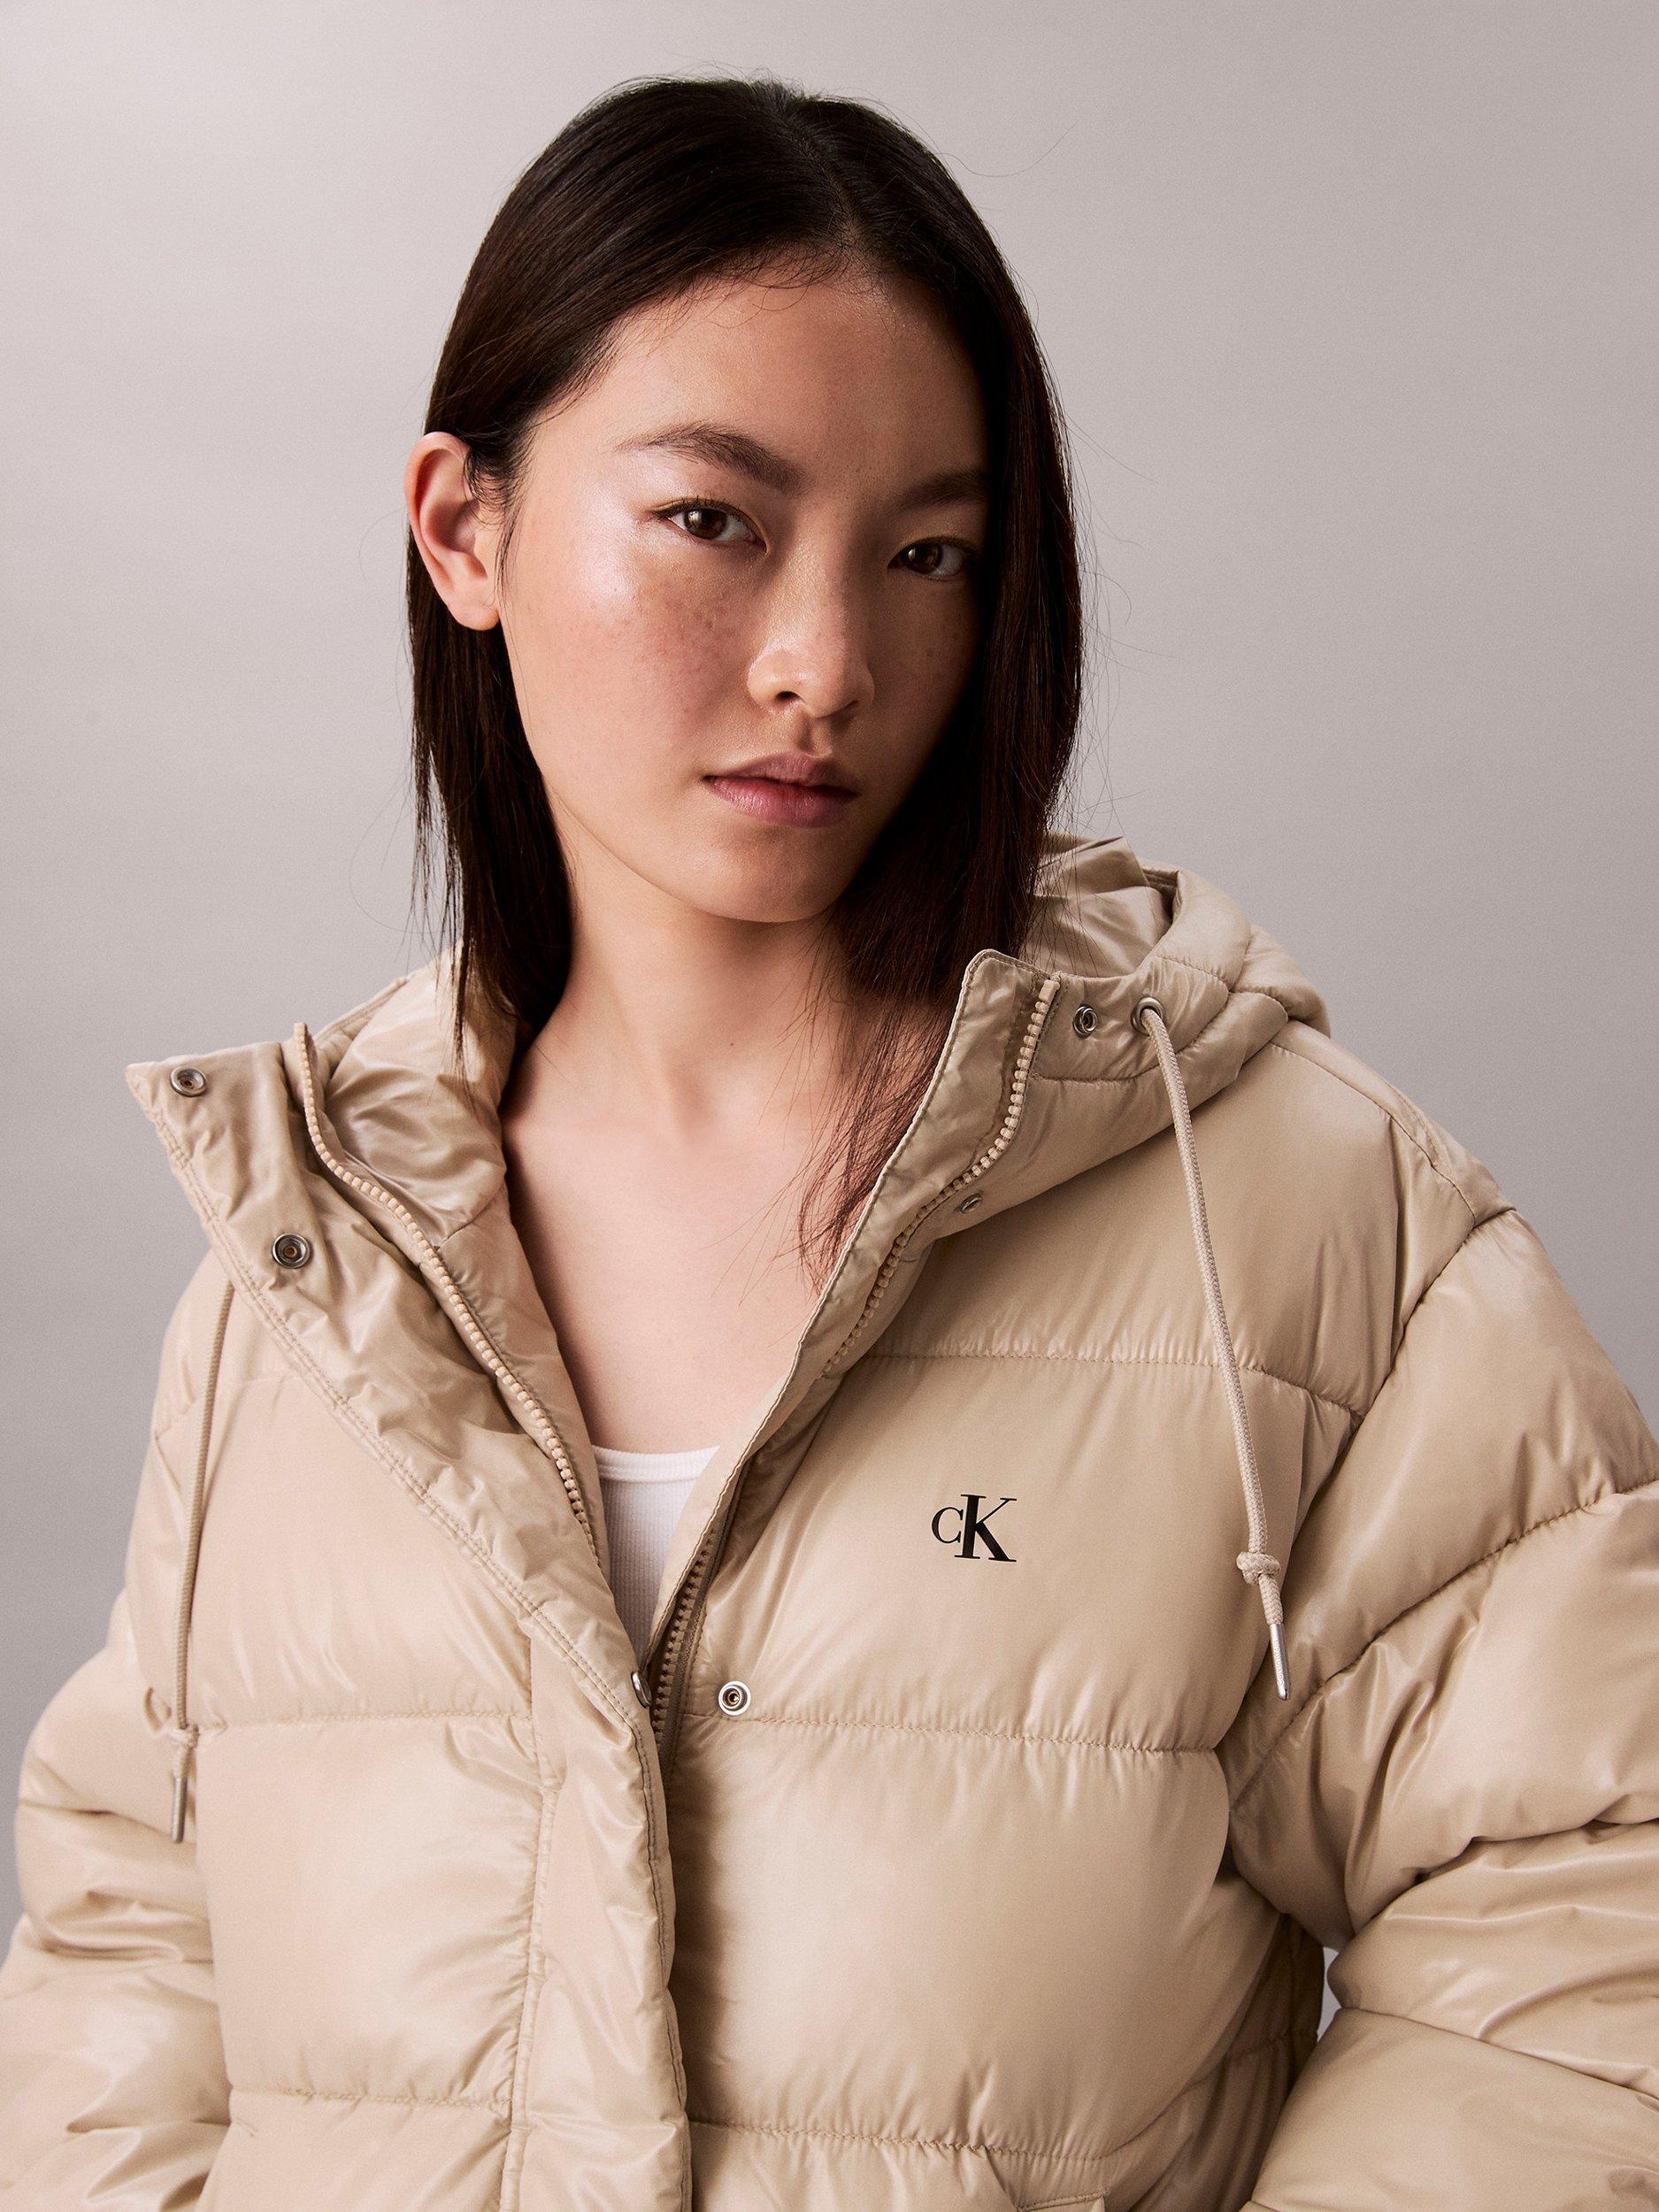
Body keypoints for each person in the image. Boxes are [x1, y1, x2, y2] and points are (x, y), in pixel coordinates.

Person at [3, 71, 1655, 2212]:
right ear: (464, 530)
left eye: (926, 553)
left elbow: (1583, 1900)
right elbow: (130, 1931)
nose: (826, 659)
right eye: (714, 520)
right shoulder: (316, 1258)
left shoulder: (1293, 1220)